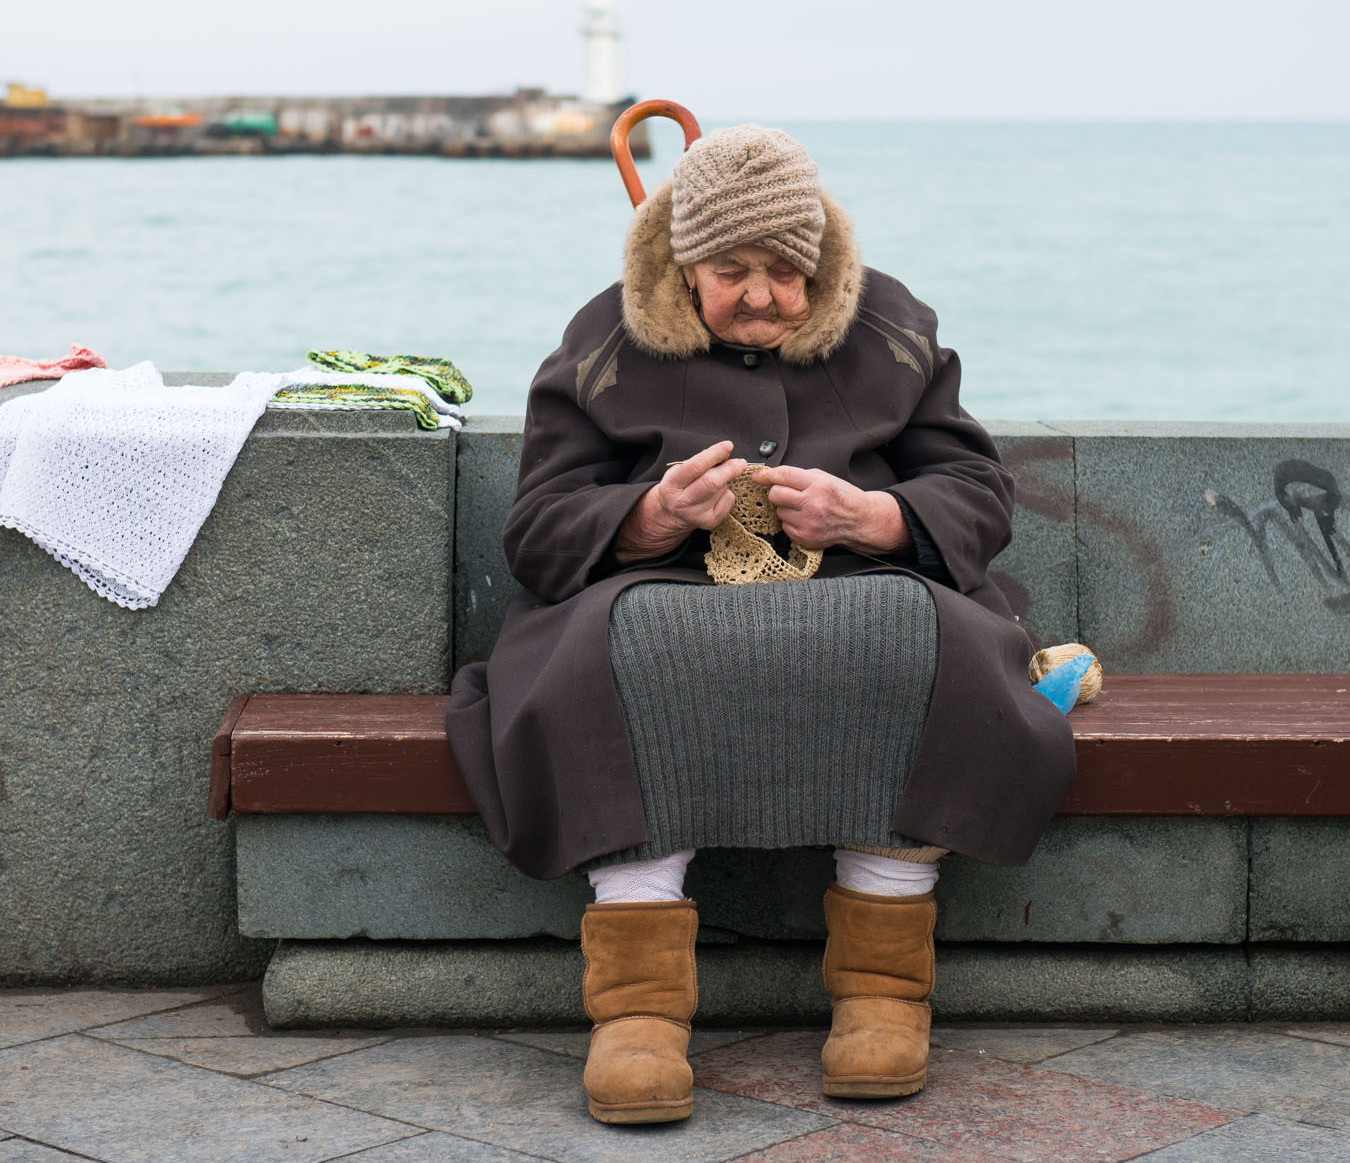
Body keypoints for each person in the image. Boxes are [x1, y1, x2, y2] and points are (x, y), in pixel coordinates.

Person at [445, 124, 1075, 1125]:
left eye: (786, 271)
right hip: (658, 598)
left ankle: (882, 996)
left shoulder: (891, 323)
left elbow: (975, 491)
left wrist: (871, 516)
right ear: (683, 263)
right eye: (730, 270)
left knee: (917, 641)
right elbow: (534, 528)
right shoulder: (605, 338)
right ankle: (638, 1017)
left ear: (818, 259)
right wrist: (644, 519)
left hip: (863, 586)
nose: (761, 296)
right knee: (627, 651)